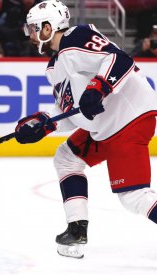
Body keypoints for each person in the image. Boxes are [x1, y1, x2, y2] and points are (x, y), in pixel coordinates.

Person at [14, 0, 157, 259]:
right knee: (66, 158)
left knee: (133, 196)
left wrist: (99, 87)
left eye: (34, 29)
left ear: (48, 28)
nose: (30, 35)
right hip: (105, 125)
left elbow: (119, 59)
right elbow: (74, 111)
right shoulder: (54, 67)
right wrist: (43, 124)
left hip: (128, 117)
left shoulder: (77, 37)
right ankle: (77, 229)